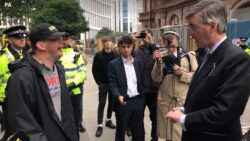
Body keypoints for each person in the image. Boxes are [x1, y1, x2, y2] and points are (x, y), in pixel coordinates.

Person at [166, 0, 250, 141]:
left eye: (193, 27)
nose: (190, 33)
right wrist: (185, 109)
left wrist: (185, 119)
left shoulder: (237, 59)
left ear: (212, 26)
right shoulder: (208, 54)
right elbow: (206, 96)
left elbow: (226, 110)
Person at [5, 23, 78, 141]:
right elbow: (22, 126)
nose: (62, 43)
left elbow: (66, 111)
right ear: (41, 45)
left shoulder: (59, 69)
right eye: (55, 39)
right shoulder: (21, 78)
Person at [152, 31, 198, 141]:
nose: (171, 49)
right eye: (168, 46)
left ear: (178, 42)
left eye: (173, 46)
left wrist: (182, 74)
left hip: (182, 101)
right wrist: (158, 64)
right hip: (165, 101)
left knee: (181, 134)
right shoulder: (161, 57)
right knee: (167, 134)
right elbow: (155, 78)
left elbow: (197, 77)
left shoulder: (188, 57)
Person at [108, 36, 145, 141]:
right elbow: (112, 83)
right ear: (119, 48)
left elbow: (141, 81)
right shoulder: (113, 64)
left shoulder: (138, 63)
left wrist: (142, 100)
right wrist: (118, 95)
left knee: (138, 133)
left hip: (138, 101)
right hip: (123, 102)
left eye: (129, 47)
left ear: (133, 47)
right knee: (120, 132)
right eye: (123, 47)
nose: (126, 49)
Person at [133, 30, 160, 141]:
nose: (145, 38)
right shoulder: (137, 51)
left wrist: (152, 44)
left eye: (148, 36)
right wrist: (132, 40)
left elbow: (159, 64)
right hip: (141, 90)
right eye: (144, 36)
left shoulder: (156, 50)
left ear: (152, 37)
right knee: (139, 117)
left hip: (154, 90)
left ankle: (154, 137)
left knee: (155, 117)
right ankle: (141, 137)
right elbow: (143, 68)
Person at [60, 31, 86, 133]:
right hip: (62, 88)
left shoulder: (76, 54)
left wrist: (73, 84)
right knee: (63, 109)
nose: (63, 41)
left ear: (69, 40)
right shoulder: (56, 54)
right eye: (61, 39)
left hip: (76, 87)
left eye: (65, 39)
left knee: (78, 107)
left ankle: (78, 124)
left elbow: (82, 72)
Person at [92, 36, 117, 137]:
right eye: (105, 42)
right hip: (103, 84)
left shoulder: (115, 55)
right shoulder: (98, 55)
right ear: (103, 44)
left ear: (112, 43)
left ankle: (108, 119)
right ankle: (99, 125)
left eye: (109, 41)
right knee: (102, 103)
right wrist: (99, 83)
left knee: (111, 103)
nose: (108, 43)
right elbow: (94, 70)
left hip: (113, 84)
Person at [0, 26, 27, 103]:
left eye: (24, 36)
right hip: (8, 100)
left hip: (24, 98)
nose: (22, 39)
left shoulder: (27, 54)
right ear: (10, 40)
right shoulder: (2, 58)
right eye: (18, 37)